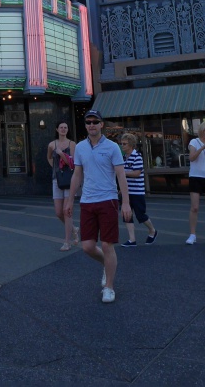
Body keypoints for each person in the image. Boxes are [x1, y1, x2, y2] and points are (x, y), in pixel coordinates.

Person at [64, 109, 132, 304]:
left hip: (108, 200)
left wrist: (125, 203)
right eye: (88, 122)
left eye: (95, 122)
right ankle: (106, 264)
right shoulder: (80, 148)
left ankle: (109, 287)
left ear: (102, 124)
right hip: (87, 201)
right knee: (87, 247)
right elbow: (77, 174)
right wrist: (70, 200)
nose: (91, 125)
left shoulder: (112, 147)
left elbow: (121, 175)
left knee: (107, 244)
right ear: (85, 125)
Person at [118, 133, 157, 246]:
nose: (122, 146)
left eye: (124, 144)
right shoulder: (123, 158)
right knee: (127, 215)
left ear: (131, 145)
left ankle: (152, 231)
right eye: (121, 144)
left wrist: (123, 173)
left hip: (137, 191)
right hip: (127, 192)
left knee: (141, 215)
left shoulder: (137, 156)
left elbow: (137, 173)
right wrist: (121, 188)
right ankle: (132, 239)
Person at [47, 121, 78, 250]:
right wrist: (55, 169)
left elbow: (72, 163)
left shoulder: (72, 144)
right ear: (57, 129)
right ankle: (74, 229)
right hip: (57, 179)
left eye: (66, 127)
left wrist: (60, 154)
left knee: (67, 211)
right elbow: (49, 157)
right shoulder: (51, 144)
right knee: (59, 212)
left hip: (69, 179)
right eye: (61, 127)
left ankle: (67, 242)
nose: (63, 129)